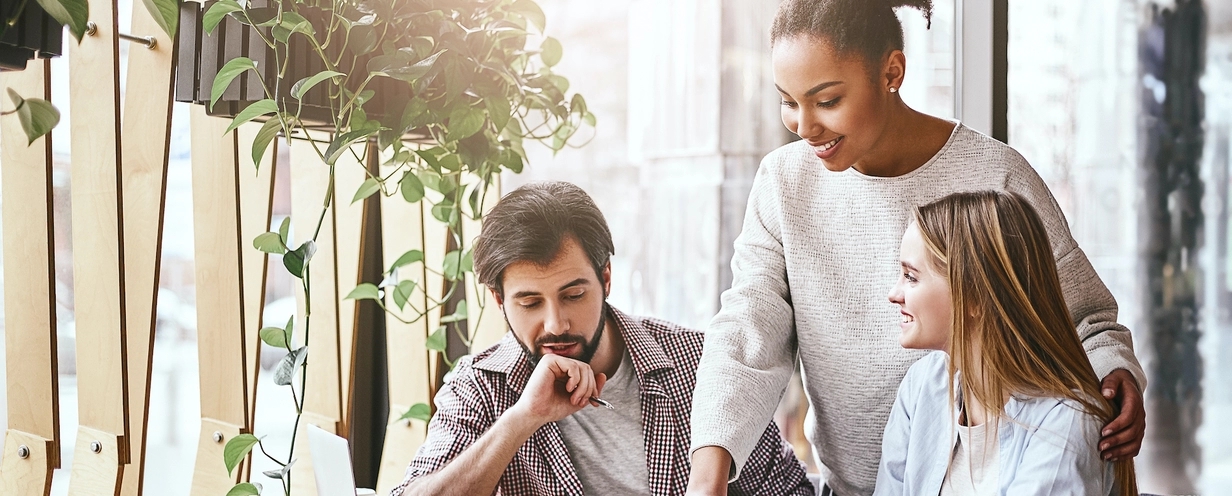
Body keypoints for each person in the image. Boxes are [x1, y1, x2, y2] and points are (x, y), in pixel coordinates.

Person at [686, 1, 1146, 494]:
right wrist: (709, 470)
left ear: (891, 72)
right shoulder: (783, 182)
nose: (803, 125)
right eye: (788, 101)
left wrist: (1112, 370)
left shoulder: (996, 177)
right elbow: (748, 330)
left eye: (826, 100)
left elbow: (1084, 318)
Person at [391, 181, 813, 496]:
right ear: (499, 300)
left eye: (573, 294)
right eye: (530, 302)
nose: (555, 324)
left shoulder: (700, 363)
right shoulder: (481, 386)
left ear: (605, 278)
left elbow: (787, 490)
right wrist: (522, 419)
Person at [874, 191, 1137, 495]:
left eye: (911, 277)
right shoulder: (920, 388)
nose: (894, 294)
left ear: (973, 295)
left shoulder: (1067, 421)